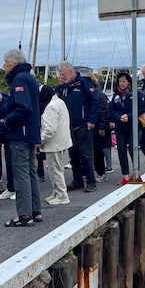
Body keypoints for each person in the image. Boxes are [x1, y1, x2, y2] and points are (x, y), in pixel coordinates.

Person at [0, 49, 42, 227]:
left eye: (5, 61)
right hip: (30, 132)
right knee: (30, 171)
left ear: (14, 63)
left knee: (21, 172)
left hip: (20, 133)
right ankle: (35, 210)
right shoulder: (30, 77)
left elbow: (23, 107)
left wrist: (7, 122)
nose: (3, 66)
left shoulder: (20, 79)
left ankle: (24, 214)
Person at [55, 61, 99, 193]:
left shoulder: (83, 82)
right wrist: (61, 85)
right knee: (73, 154)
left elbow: (95, 101)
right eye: (60, 75)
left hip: (83, 124)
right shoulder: (64, 87)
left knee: (86, 154)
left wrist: (91, 120)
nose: (62, 77)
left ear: (70, 71)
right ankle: (77, 180)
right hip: (68, 125)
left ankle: (91, 181)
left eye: (63, 74)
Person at [39, 84, 71, 205]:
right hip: (63, 141)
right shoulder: (60, 102)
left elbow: (49, 130)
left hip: (54, 144)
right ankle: (57, 192)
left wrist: (40, 141)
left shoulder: (50, 107)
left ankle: (62, 195)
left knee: (55, 170)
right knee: (59, 169)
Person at [109, 71, 136, 184]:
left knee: (132, 149)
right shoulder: (115, 95)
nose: (122, 83)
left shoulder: (134, 94)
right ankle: (125, 175)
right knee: (121, 150)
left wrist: (128, 116)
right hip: (120, 127)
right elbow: (111, 110)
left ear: (128, 82)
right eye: (120, 81)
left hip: (131, 126)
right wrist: (118, 117)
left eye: (124, 81)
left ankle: (136, 172)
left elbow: (140, 109)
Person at [87, 73, 112, 183]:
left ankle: (101, 173)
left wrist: (102, 127)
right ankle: (93, 171)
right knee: (91, 150)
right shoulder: (89, 94)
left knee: (98, 151)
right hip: (91, 126)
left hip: (98, 127)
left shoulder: (99, 95)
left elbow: (104, 112)